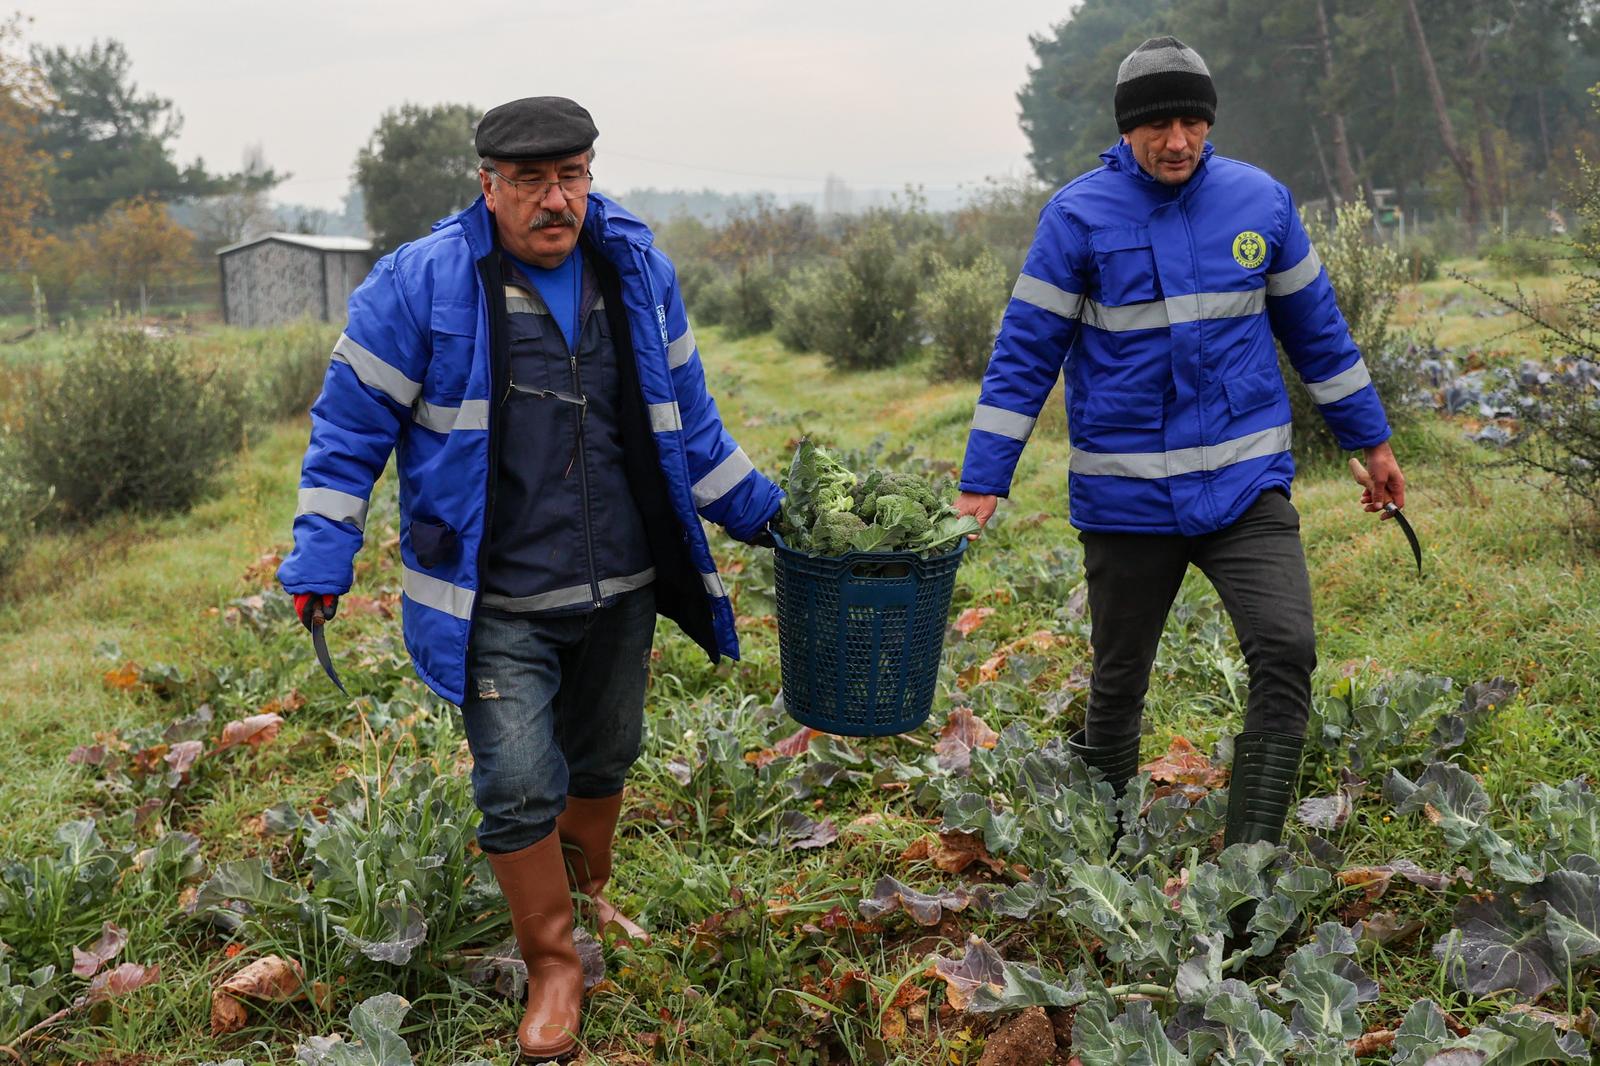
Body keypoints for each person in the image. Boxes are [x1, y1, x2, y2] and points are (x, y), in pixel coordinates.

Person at [277, 96, 780, 1059]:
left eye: (575, 177)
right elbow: (346, 437)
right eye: (533, 182)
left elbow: (694, 425)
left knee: (604, 757)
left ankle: (586, 904)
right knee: (516, 781)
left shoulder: (635, 271)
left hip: (622, 582)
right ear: (488, 185)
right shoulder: (419, 285)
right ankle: (553, 963)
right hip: (493, 597)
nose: (558, 201)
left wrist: (773, 517)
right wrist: (320, 556)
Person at [956, 37, 1405, 854]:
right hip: (1127, 502)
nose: (1177, 141)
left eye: (1192, 121)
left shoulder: (1260, 204)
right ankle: (1106, 850)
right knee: (1118, 680)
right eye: (1158, 124)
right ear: (1127, 130)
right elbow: (1025, 354)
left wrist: (1370, 441)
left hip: (1245, 494)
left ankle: (1250, 862)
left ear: (1209, 123)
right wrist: (984, 478)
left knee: (1287, 648)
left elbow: (1320, 336)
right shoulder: (1077, 217)